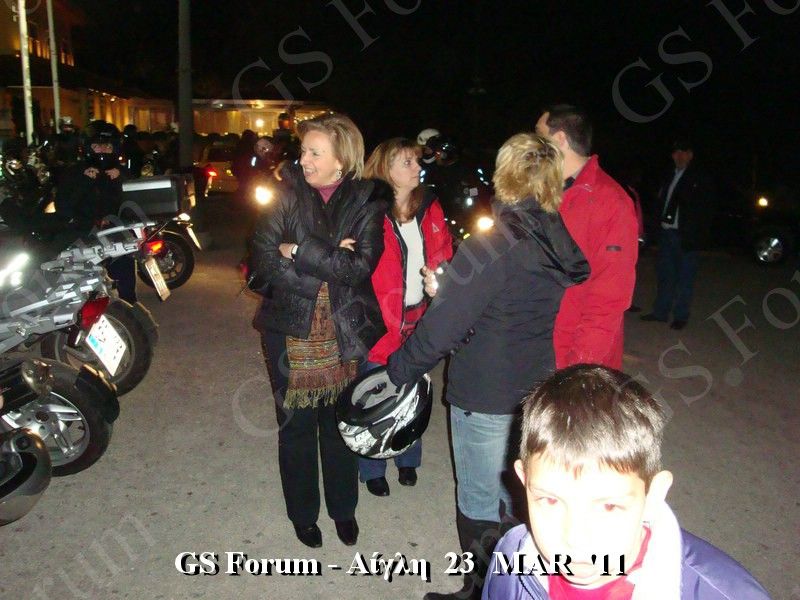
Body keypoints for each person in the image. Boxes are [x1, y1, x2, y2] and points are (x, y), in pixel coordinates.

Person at [387, 133, 590, 600]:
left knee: (479, 500)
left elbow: (442, 330)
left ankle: (480, 592)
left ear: (505, 176)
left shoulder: (493, 243)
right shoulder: (551, 238)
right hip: (534, 386)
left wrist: (396, 371)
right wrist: (454, 288)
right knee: (514, 492)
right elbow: (507, 300)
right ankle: (516, 586)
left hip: (484, 389)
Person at [483, 364, 770, 599]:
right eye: (550, 500)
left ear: (653, 496)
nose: (575, 540)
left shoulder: (728, 594)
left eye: (609, 506)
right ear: (524, 481)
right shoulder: (512, 553)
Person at [249, 113, 390, 549]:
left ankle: (343, 510)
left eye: (315, 152)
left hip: (343, 330)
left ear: (341, 160)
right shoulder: (284, 195)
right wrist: (326, 261)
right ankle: (303, 514)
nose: (304, 160)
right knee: (295, 427)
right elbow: (263, 262)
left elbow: (358, 268)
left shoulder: (366, 201)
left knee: (338, 425)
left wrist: (299, 250)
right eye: (303, 150)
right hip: (288, 327)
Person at [359, 137, 453, 497]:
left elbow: (445, 251)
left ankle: (407, 458)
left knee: (413, 393)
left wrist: (438, 273)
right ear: (387, 170)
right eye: (407, 162)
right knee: (376, 395)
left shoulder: (429, 206)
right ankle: (372, 467)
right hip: (379, 320)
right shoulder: (368, 210)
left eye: (416, 161)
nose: (417, 168)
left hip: (418, 318)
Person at [535, 105, 638, 369]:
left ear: (559, 139)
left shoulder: (610, 201)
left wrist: (580, 369)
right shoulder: (542, 193)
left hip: (570, 354)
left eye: (539, 136)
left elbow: (609, 299)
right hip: (534, 345)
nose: (532, 145)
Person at [55, 123, 137, 304]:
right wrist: (84, 181)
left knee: (124, 277)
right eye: (97, 146)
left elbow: (135, 205)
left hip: (116, 234)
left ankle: (127, 310)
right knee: (84, 285)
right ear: (88, 147)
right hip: (83, 234)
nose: (102, 150)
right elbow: (63, 206)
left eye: (107, 146)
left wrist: (121, 180)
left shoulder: (122, 172)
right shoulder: (74, 172)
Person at [641, 139, 714, 330]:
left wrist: (697, 236)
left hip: (685, 236)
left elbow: (704, 209)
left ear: (690, 155)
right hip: (667, 234)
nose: (679, 156)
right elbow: (660, 203)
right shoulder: (669, 176)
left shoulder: (698, 178)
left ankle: (681, 316)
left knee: (685, 278)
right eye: (676, 153)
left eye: (683, 152)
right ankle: (660, 312)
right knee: (665, 276)